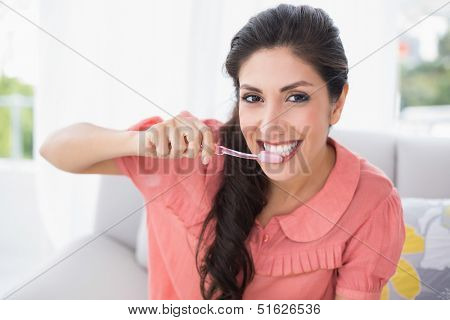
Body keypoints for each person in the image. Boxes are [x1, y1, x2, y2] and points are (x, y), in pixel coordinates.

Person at [39, 4, 406, 300]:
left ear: (337, 103)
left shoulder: (371, 202)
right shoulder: (191, 154)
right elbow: (55, 149)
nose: (269, 124)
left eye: (296, 97)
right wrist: (143, 141)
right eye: (253, 98)